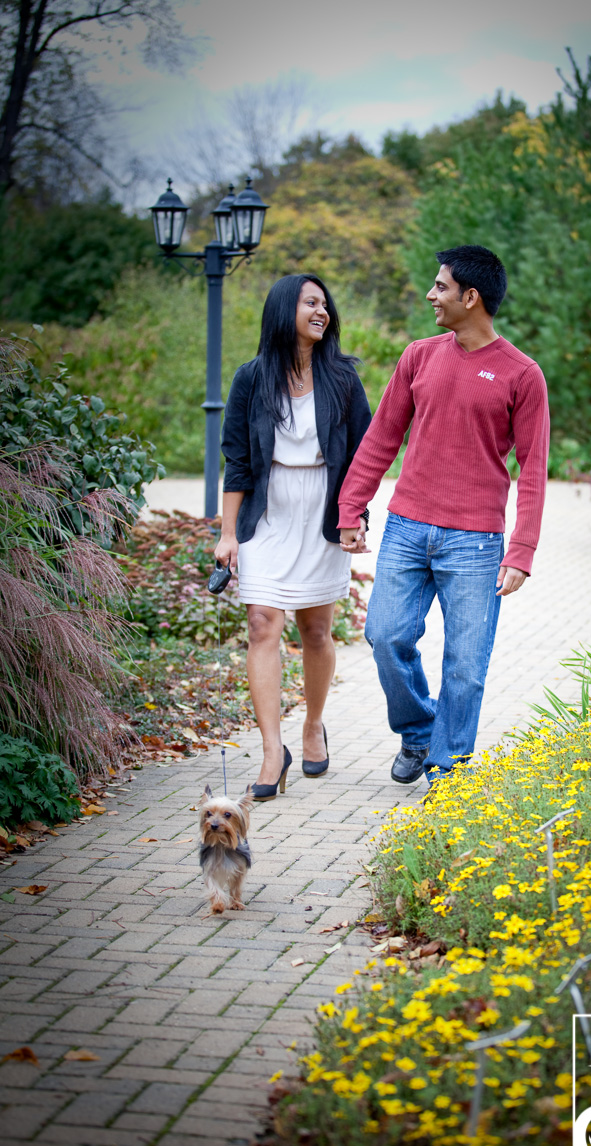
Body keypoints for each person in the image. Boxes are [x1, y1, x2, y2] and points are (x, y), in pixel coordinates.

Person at [338, 245, 549, 786]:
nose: (432, 295)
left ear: (470, 297)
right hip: (407, 527)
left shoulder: (523, 375)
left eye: (441, 287)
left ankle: (448, 770)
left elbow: (534, 469)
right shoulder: (419, 355)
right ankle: (418, 731)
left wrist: (521, 551)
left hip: (475, 542)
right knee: (385, 636)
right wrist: (351, 507)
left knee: (465, 665)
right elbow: (382, 437)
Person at [214, 274, 371, 798]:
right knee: (262, 623)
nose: (321, 311)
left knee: (316, 631)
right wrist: (228, 533)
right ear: (285, 310)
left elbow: (363, 457)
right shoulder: (251, 378)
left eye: (325, 304)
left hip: (321, 512)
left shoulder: (344, 379)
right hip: (269, 512)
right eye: (310, 302)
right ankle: (270, 750)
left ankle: (312, 725)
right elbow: (236, 459)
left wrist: (357, 516)